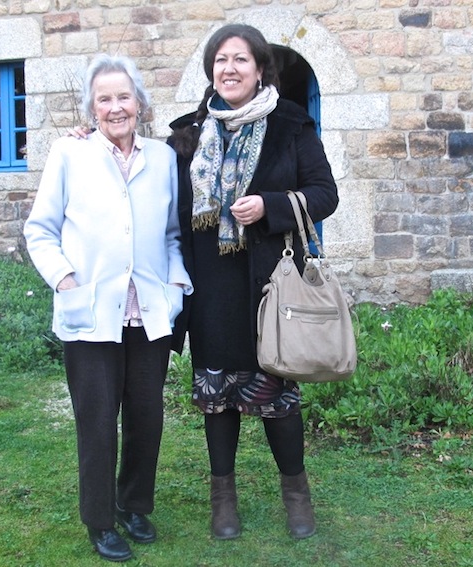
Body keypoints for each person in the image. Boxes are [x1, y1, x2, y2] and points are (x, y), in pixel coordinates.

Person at [167, 23, 339, 540]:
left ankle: (297, 496)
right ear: (210, 71)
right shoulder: (188, 134)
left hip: (270, 290)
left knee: (276, 393)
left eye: (240, 59)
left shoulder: (291, 126)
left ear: (260, 68)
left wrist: (271, 207)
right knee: (217, 398)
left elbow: (325, 193)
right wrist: (89, 136)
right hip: (211, 290)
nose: (230, 69)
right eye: (220, 60)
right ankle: (224, 500)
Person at [23, 54, 193, 562]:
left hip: (149, 310)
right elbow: (40, 230)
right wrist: (66, 280)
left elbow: (171, 234)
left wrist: (177, 284)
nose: (116, 107)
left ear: (139, 103)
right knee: (96, 419)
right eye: (105, 98)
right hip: (91, 310)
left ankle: (133, 504)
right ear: (91, 108)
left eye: (124, 97)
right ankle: (99, 519)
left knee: (147, 415)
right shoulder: (69, 154)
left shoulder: (163, 158)